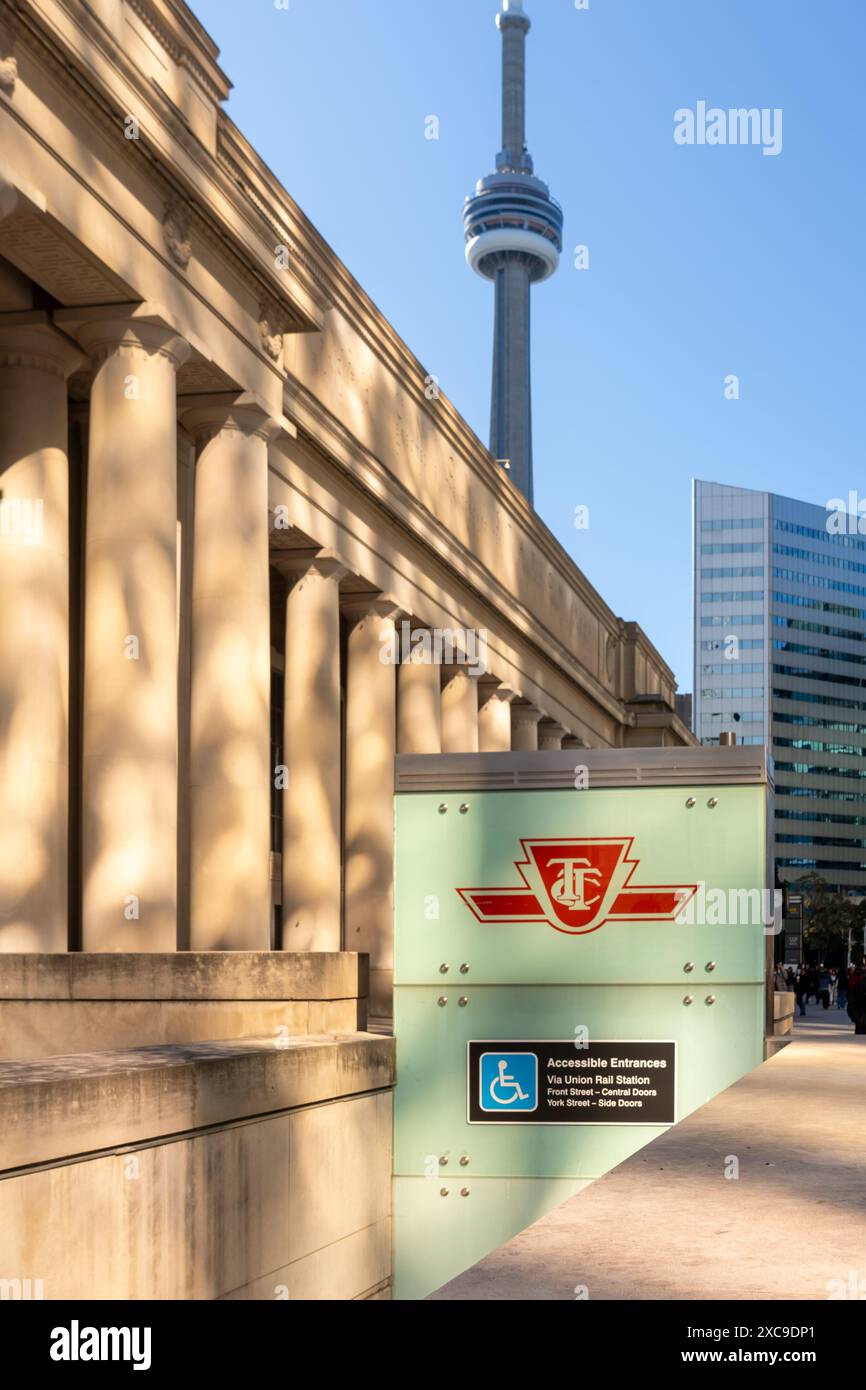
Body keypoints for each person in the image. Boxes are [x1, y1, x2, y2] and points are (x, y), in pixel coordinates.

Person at [847, 969, 866, 1035]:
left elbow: (851, 1003)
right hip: (861, 1020)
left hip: (860, 1020)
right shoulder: (859, 984)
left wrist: (855, 1017)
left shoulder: (859, 983)